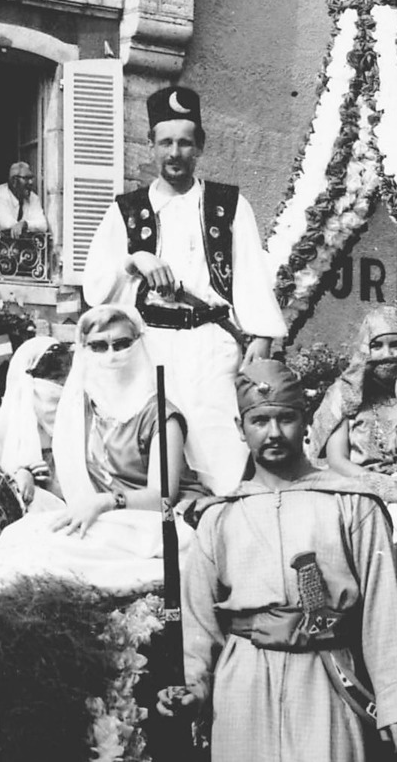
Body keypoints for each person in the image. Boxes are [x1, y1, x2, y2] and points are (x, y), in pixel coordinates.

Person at [159, 358, 397, 762]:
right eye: (259, 420)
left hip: (327, 679)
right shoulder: (221, 517)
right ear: (242, 429)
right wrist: (195, 688)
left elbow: (383, 609)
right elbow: (199, 622)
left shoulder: (351, 505)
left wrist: (396, 701)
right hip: (244, 684)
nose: (273, 431)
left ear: (305, 422)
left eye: (285, 417)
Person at [81, 86, 286, 495]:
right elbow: (94, 286)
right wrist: (133, 258)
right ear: (151, 144)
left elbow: (250, 276)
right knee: (159, 460)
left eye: (185, 143)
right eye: (166, 142)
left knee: (221, 454)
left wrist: (261, 341)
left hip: (211, 348)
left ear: (200, 147)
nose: (175, 153)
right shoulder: (127, 210)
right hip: (150, 347)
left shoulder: (227, 205)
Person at [0, 305, 196, 595]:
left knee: (52, 553)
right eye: (99, 346)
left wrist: (104, 503)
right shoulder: (83, 408)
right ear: (84, 351)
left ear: (139, 344)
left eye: (122, 344)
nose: (112, 355)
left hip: (153, 522)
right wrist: (26, 471)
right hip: (105, 519)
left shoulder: (160, 414)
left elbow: (162, 498)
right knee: (18, 536)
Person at [311, 305, 397, 538]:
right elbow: (337, 461)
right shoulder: (344, 394)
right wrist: (382, 488)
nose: (387, 354)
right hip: (356, 489)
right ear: (365, 349)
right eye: (377, 345)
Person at [0, 335, 71, 512]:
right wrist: (23, 475)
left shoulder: (82, 425)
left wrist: (53, 485)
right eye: (52, 391)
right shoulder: (11, 436)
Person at [0, 161, 48, 238]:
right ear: (14, 181)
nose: (31, 182)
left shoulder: (33, 197)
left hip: (25, 247)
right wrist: (30, 226)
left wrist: (25, 224)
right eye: (26, 178)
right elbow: (6, 225)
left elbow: (43, 225)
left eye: (31, 178)